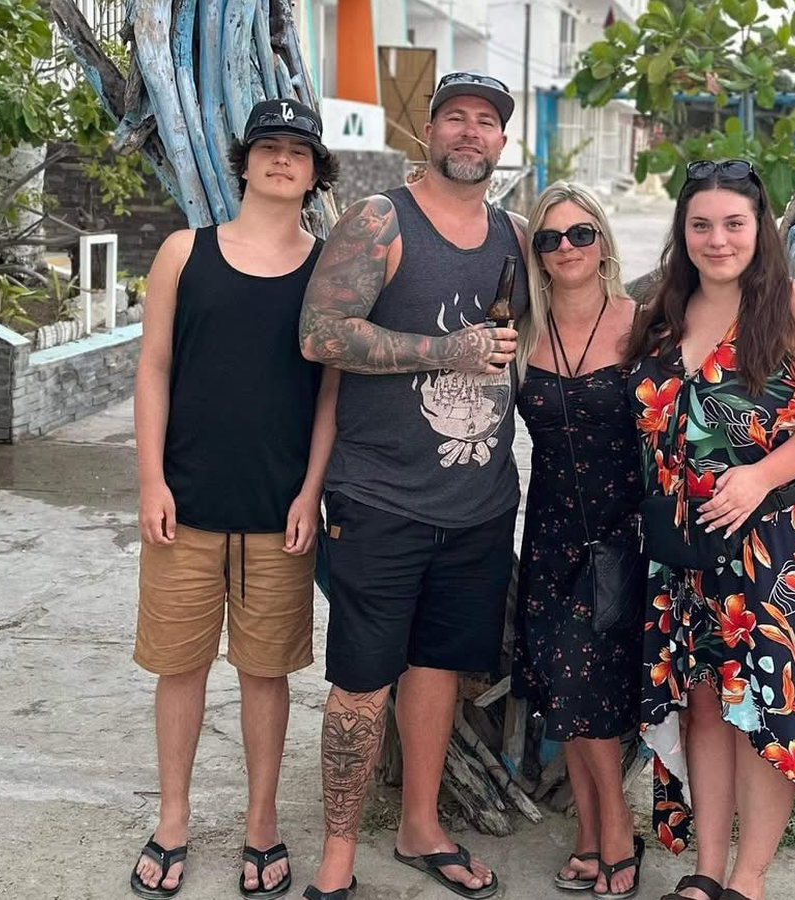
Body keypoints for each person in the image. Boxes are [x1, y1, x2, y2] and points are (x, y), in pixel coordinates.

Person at [298, 72, 527, 900]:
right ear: (427, 132)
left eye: (486, 122)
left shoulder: (515, 236)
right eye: (454, 117)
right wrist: (445, 352)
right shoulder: (380, 219)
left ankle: (420, 826)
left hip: (480, 505)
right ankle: (335, 855)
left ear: (502, 142)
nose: (470, 132)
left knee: (437, 668)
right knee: (361, 679)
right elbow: (320, 334)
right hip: (380, 499)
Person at [624, 159, 795, 900]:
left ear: (759, 228)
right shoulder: (664, 310)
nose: (718, 239)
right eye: (701, 225)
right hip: (687, 549)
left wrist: (761, 475)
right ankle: (706, 870)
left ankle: (749, 879)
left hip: (778, 546)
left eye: (734, 223)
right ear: (683, 233)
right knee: (704, 700)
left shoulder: (792, 306)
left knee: (767, 710)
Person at [130, 98, 340, 899]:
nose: (282, 159)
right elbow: (153, 368)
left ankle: (261, 821)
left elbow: (331, 394)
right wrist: (151, 480)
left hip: (277, 515)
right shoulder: (184, 253)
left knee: (265, 674)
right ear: (244, 162)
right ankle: (173, 819)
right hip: (182, 507)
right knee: (178, 668)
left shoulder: (328, 271)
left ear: (315, 173)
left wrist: (311, 492)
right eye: (268, 146)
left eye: (298, 150)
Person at [510, 181, 645, 898]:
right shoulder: (521, 333)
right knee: (568, 686)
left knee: (592, 685)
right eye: (550, 238)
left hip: (623, 537)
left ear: (602, 242)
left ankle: (613, 832)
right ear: (537, 252)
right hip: (551, 532)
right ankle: (593, 834)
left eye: (580, 234)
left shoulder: (643, 326)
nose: (566, 247)